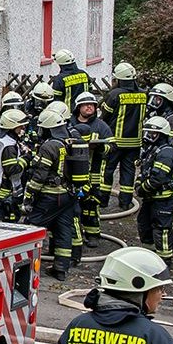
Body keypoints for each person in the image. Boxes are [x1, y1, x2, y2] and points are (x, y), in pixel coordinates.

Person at [23, 102, 80, 278]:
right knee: (63, 231)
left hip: (50, 196)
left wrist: (29, 196)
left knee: (31, 228)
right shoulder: (71, 141)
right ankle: (61, 269)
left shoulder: (49, 146)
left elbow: (40, 175)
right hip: (68, 195)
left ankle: (25, 266)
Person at [101, 63, 148, 209]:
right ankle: (125, 202)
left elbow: (104, 117)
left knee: (107, 170)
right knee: (128, 172)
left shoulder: (115, 95)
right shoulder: (143, 94)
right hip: (135, 143)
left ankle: (103, 201)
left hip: (115, 142)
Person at [137, 117, 173, 258]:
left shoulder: (166, 153)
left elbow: (158, 178)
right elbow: (145, 169)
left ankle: (164, 260)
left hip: (163, 199)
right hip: (151, 197)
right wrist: (139, 182)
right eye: (147, 133)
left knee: (161, 229)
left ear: (162, 134)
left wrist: (142, 189)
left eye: (152, 134)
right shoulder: (153, 149)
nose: (148, 137)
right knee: (144, 224)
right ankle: (149, 255)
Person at [72, 92, 112, 246]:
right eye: (85, 104)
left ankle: (93, 234)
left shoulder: (101, 126)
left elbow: (112, 147)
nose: (89, 107)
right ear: (78, 107)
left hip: (93, 173)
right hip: (73, 172)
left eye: (92, 105)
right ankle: (75, 234)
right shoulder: (70, 123)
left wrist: (100, 147)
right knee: (73, 204)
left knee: (91, 204)